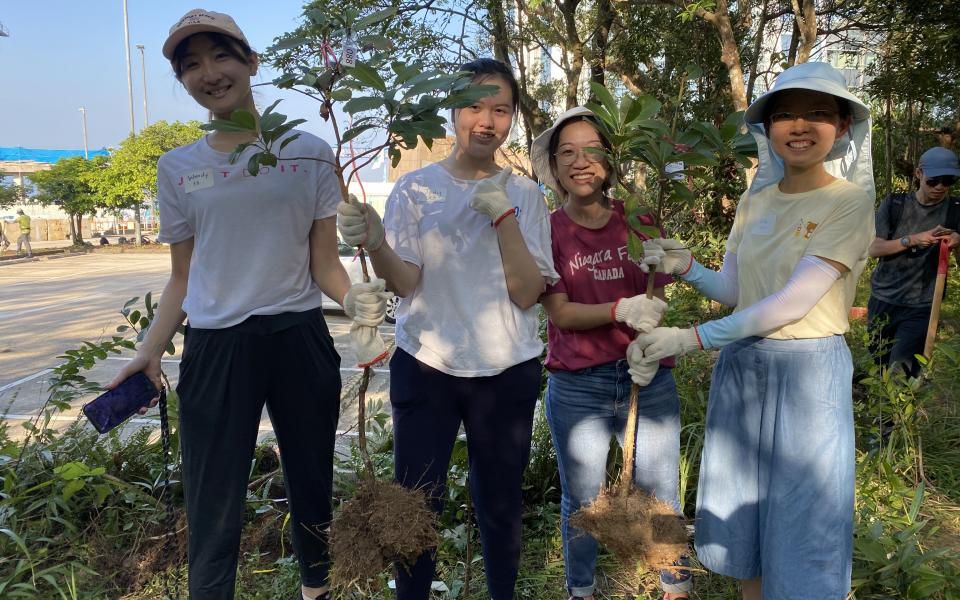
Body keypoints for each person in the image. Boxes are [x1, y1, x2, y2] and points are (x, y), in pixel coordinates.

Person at [108, 9, 388, 600]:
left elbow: (324, 264)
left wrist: (354, 298)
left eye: (221, 56)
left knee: (312, 479)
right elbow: (182, 276)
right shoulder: (177, 167)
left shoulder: (308, 152)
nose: (209, 72)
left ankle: (319, 588)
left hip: (298, 337)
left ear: (251, 62)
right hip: (215, 347)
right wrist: (149, 351)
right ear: (183, 81)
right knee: (212, 493)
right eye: (191, 65)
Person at [632, 62, 875, 599]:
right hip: (744, 368)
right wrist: (687, 267)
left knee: (803, 515)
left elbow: (793, 303)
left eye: (818, 113)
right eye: (785, 114)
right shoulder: (756, 200)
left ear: (841, 127)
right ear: (767, 130)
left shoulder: (847, 202)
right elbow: (739, 292)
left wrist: (690, 338)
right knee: (746, 513)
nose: (799, 125)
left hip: (807, 373)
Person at [337, 58, 558, 600]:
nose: (487, 120)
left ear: (512, 119)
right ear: (454, 112)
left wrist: (502, 214)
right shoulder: (415, 190)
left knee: (501, 504)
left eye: (501, 109)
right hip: (426, 365)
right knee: (415, 504)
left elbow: (529, 293)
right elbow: (406, 283)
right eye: (475, 106)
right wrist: (374, 241)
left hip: (506, 369)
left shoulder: (527, 195)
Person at [529, 107, 691, 600]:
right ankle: (581, 588)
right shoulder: (548, 229)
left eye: (593, 150)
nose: (581, 162)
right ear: (554, 168)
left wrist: (651, 322)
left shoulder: (640, 219)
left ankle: (676, 584)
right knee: (582, 498)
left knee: (663, 493)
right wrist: (621, 308)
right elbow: (559, 312)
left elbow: (656, 294)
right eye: (568, 153)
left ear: (609, 161)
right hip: (579, 384)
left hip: (648, 378)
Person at [867, 146, 960, 377]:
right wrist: (913, 240)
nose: (940, 187)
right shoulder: (895, 205)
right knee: (879, 364)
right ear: (919, 174)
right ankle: (881, 411)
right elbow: (874, 249)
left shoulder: (956, 210)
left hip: (923, 305)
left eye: (948, 181)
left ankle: (900, 414)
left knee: (902, 371)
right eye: (934, 180)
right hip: (883, 299)